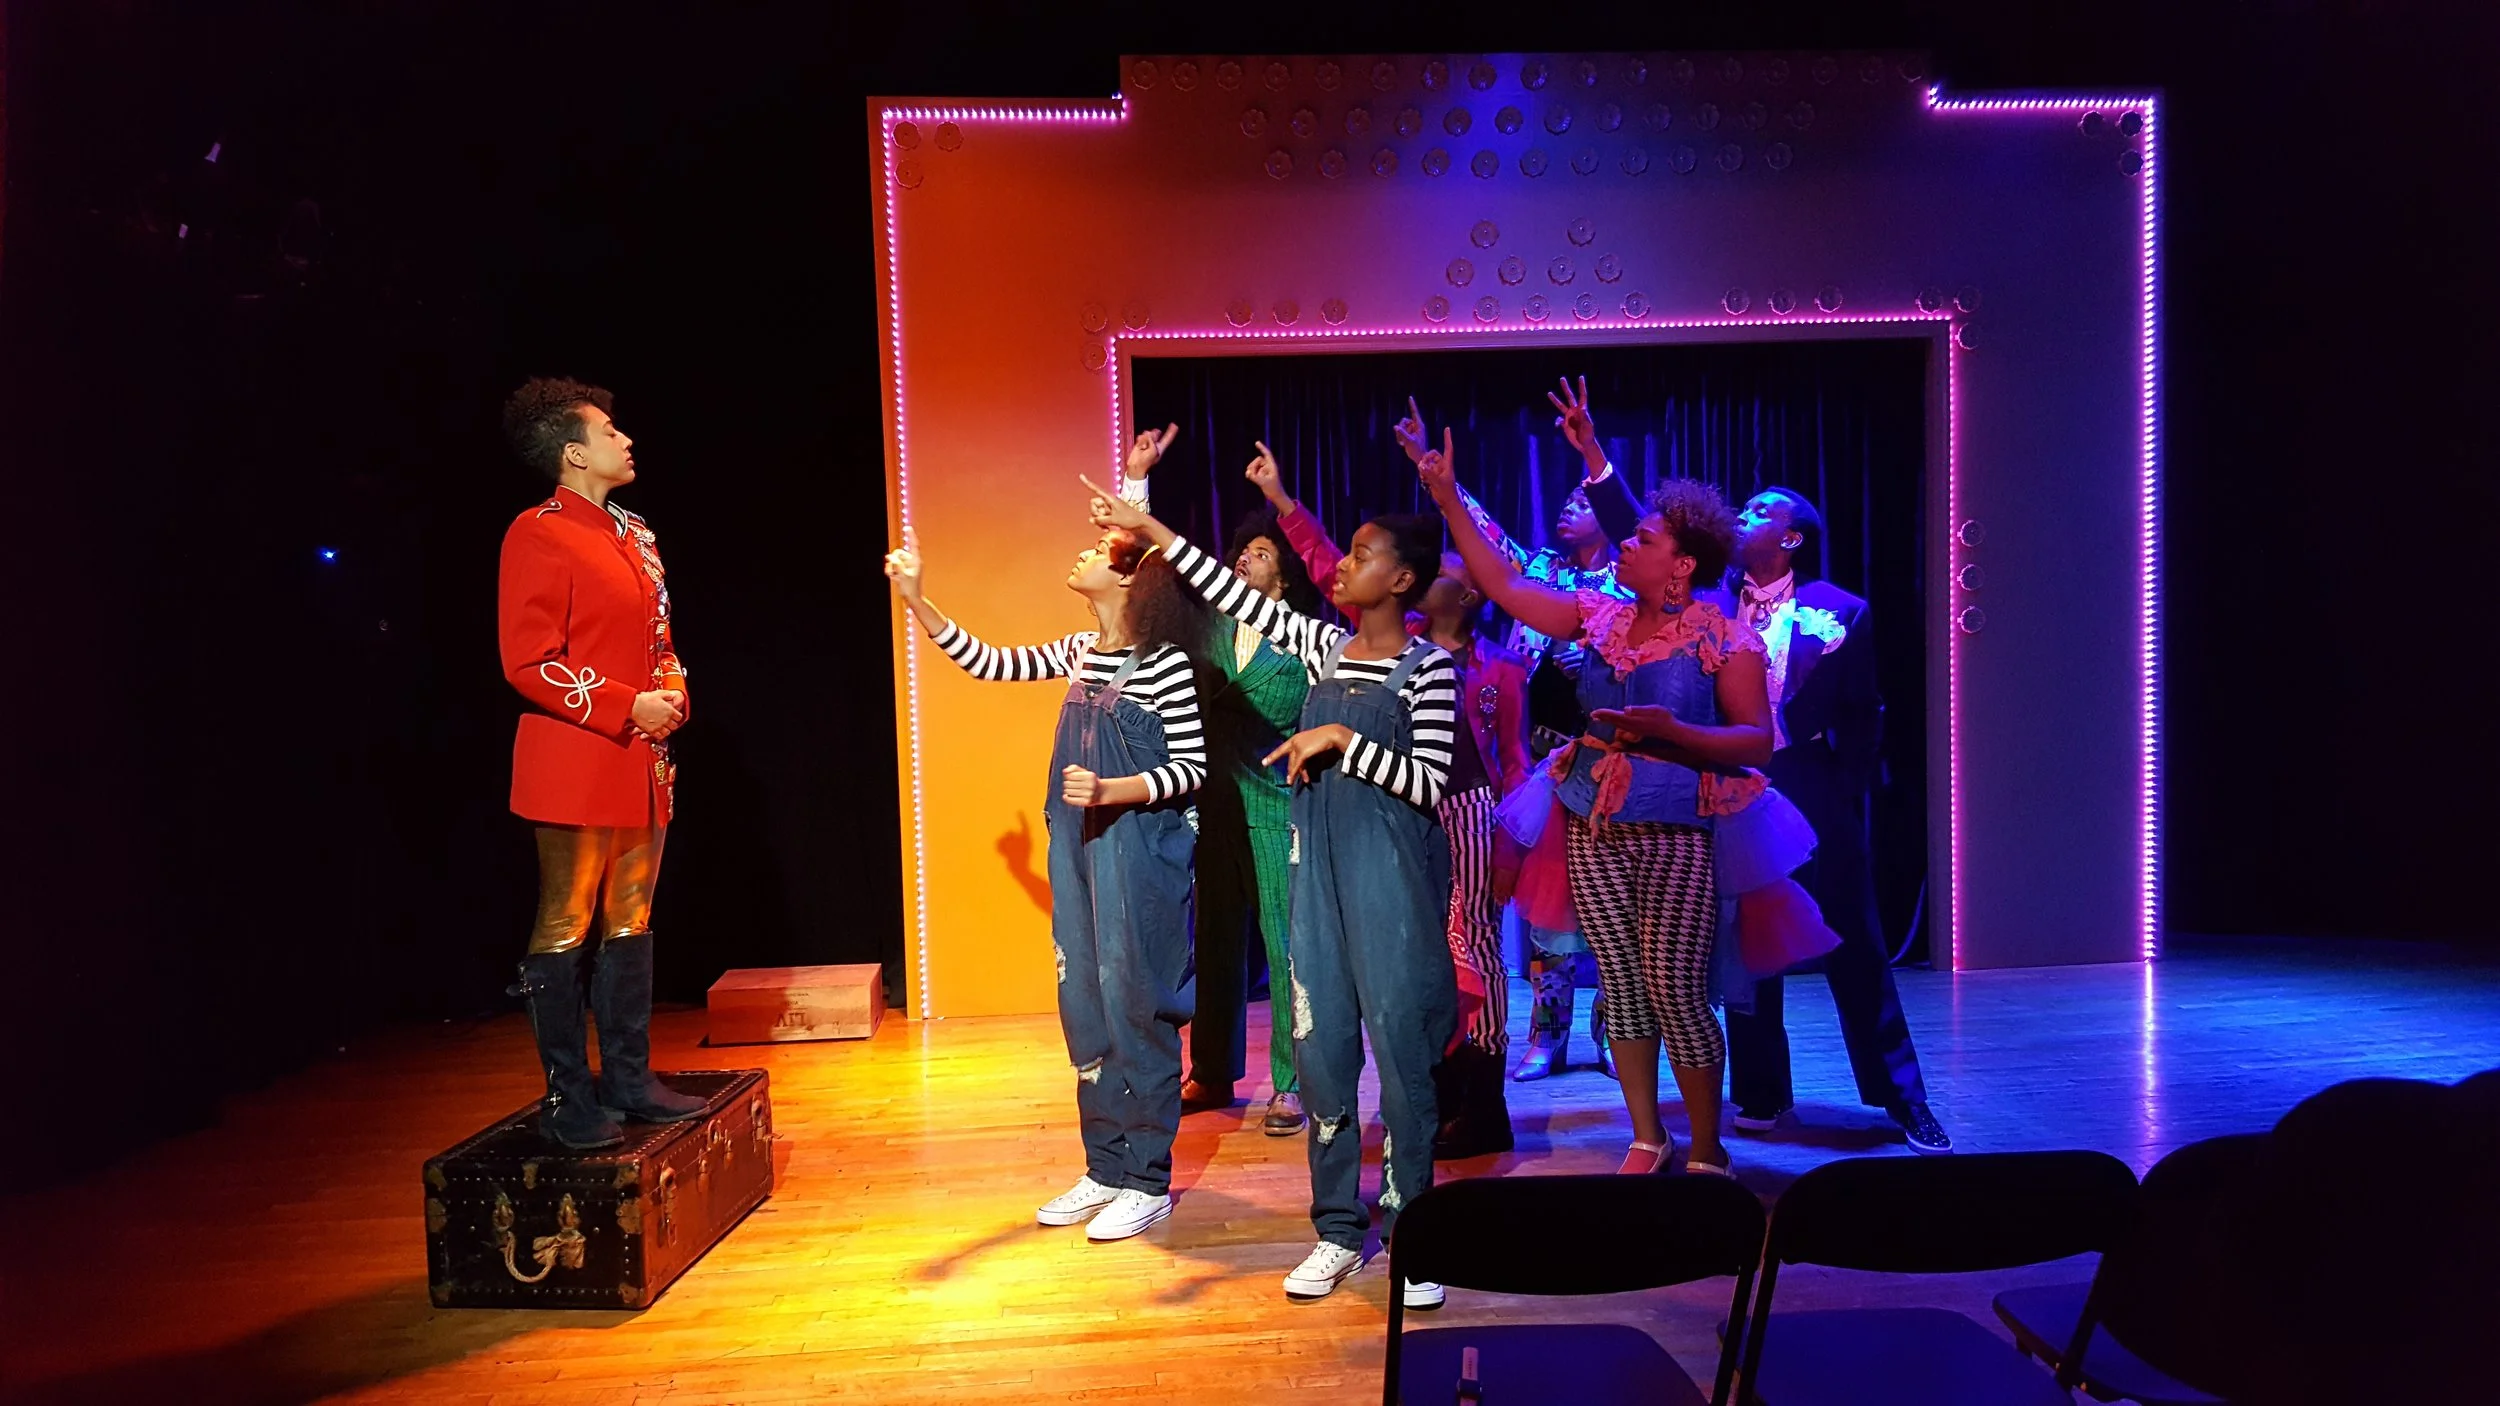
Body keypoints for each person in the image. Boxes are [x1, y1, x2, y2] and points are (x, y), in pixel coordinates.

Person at [1086, 475, 1462, 1309]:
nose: (1343, 566)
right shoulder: (1322, 647)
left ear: (1402, 579)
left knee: (1403, 1062)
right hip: (1315, 877)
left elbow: (1429, 783)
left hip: (1392, 889)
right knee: (1322, 1055)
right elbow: (1230, 596)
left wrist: (1341, 739)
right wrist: (1150, 523)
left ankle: (1415, 1234)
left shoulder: (1430, 669)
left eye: (1362, 555)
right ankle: (1338, 1231)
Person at [1423, 427, 1774, 1179]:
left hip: (1674, 830)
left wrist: (1673, 729)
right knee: (1622, 984)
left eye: (1644, 539)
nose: (1628, 544)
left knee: (1677, 992)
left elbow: (1756, 741)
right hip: (1591, 823)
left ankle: (1707, 1147)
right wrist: (1448, 499)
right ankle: (1648, 1137)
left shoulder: (1724, 637)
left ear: (1682, 564)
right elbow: (1506, 586)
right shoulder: (1599, 616)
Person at [884, 522, 1209, 1241]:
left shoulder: (1166, 666)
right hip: (1080, 853)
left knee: (1136, 1005)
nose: (1081, 553)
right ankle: (1105, 1166)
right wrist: (917, 599)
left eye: (1098, 551)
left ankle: (1147, 1179)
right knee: (1084, 1003)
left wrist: (1114, 789)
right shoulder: (1078, 651)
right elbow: (988, 662)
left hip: (1139, 859)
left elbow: (1192, 769)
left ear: (1129, 579)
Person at [497, 378, 709, 1150]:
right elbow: (528, 661)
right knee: (566, 920)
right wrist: (627, 705)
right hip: (577, 758)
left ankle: (628, 1078)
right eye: (609, 432)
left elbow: (659, 638)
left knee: (632, 917)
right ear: (573, 453)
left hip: (641, 761)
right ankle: (568, 1095)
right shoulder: (538, 532)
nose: (626, 440)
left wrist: (672, 692)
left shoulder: (636, 534)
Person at [1720, 488, 1950, 1155]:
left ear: (1790, 538)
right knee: (1749, 937)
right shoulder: (1709, 605)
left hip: (1812, 782)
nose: (1741, 515)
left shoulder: (1840, 609)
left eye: (1759, 511)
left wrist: (1841, 786)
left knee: (1854, 936)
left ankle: (1903, 1097)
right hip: (1736, 785)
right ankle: (1761, 1091)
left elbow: (1864, 711)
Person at [1184, 497, 1323, 1135]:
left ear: (1284, 579)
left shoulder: (1303, 642)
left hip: (1274, 806)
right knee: (1214, 941)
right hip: (1215, 804)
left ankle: (1290, 1085)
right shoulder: (1209, 627)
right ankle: (1212, 1070)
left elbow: (1300, 719)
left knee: (1283, 944)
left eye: (1261, 553)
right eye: (1243, 550)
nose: (1244, 558)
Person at [1416, 549, 1535, 1159]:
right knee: (1423, 950)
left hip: (1472, 814)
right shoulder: (1402, 649)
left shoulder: (1501, 667)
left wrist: (1510, 843)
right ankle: (1437, 1097)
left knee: (1478, 943)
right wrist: (1286, 507)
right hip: (1412, 813)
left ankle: (1483, 1107)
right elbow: (1333, 574)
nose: (1424, 576)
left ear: (1467, 597)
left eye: (1441, 573)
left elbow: (1514, 760)